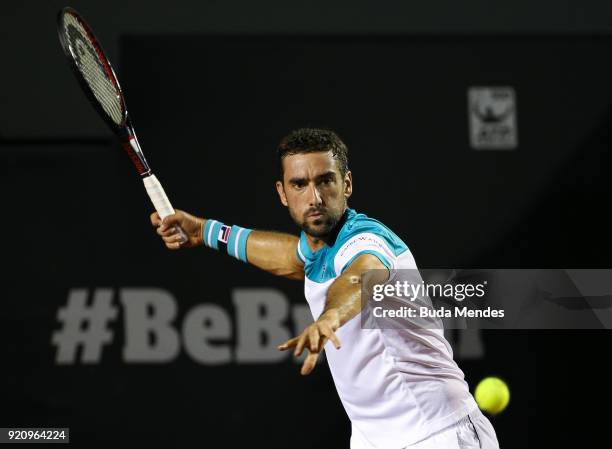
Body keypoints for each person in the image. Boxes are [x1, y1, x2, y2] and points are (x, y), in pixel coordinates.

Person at [150, 128, 500, 449]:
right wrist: (206, 231)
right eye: (299, 184)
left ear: (346, 184)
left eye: (325, 181)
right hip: (373, 439)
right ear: (282, 193)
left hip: (437, 431)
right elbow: (292, 258)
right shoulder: (317, 247)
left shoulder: (367, 239)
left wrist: (330, 318)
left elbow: (362, 275)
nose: (314, 196)